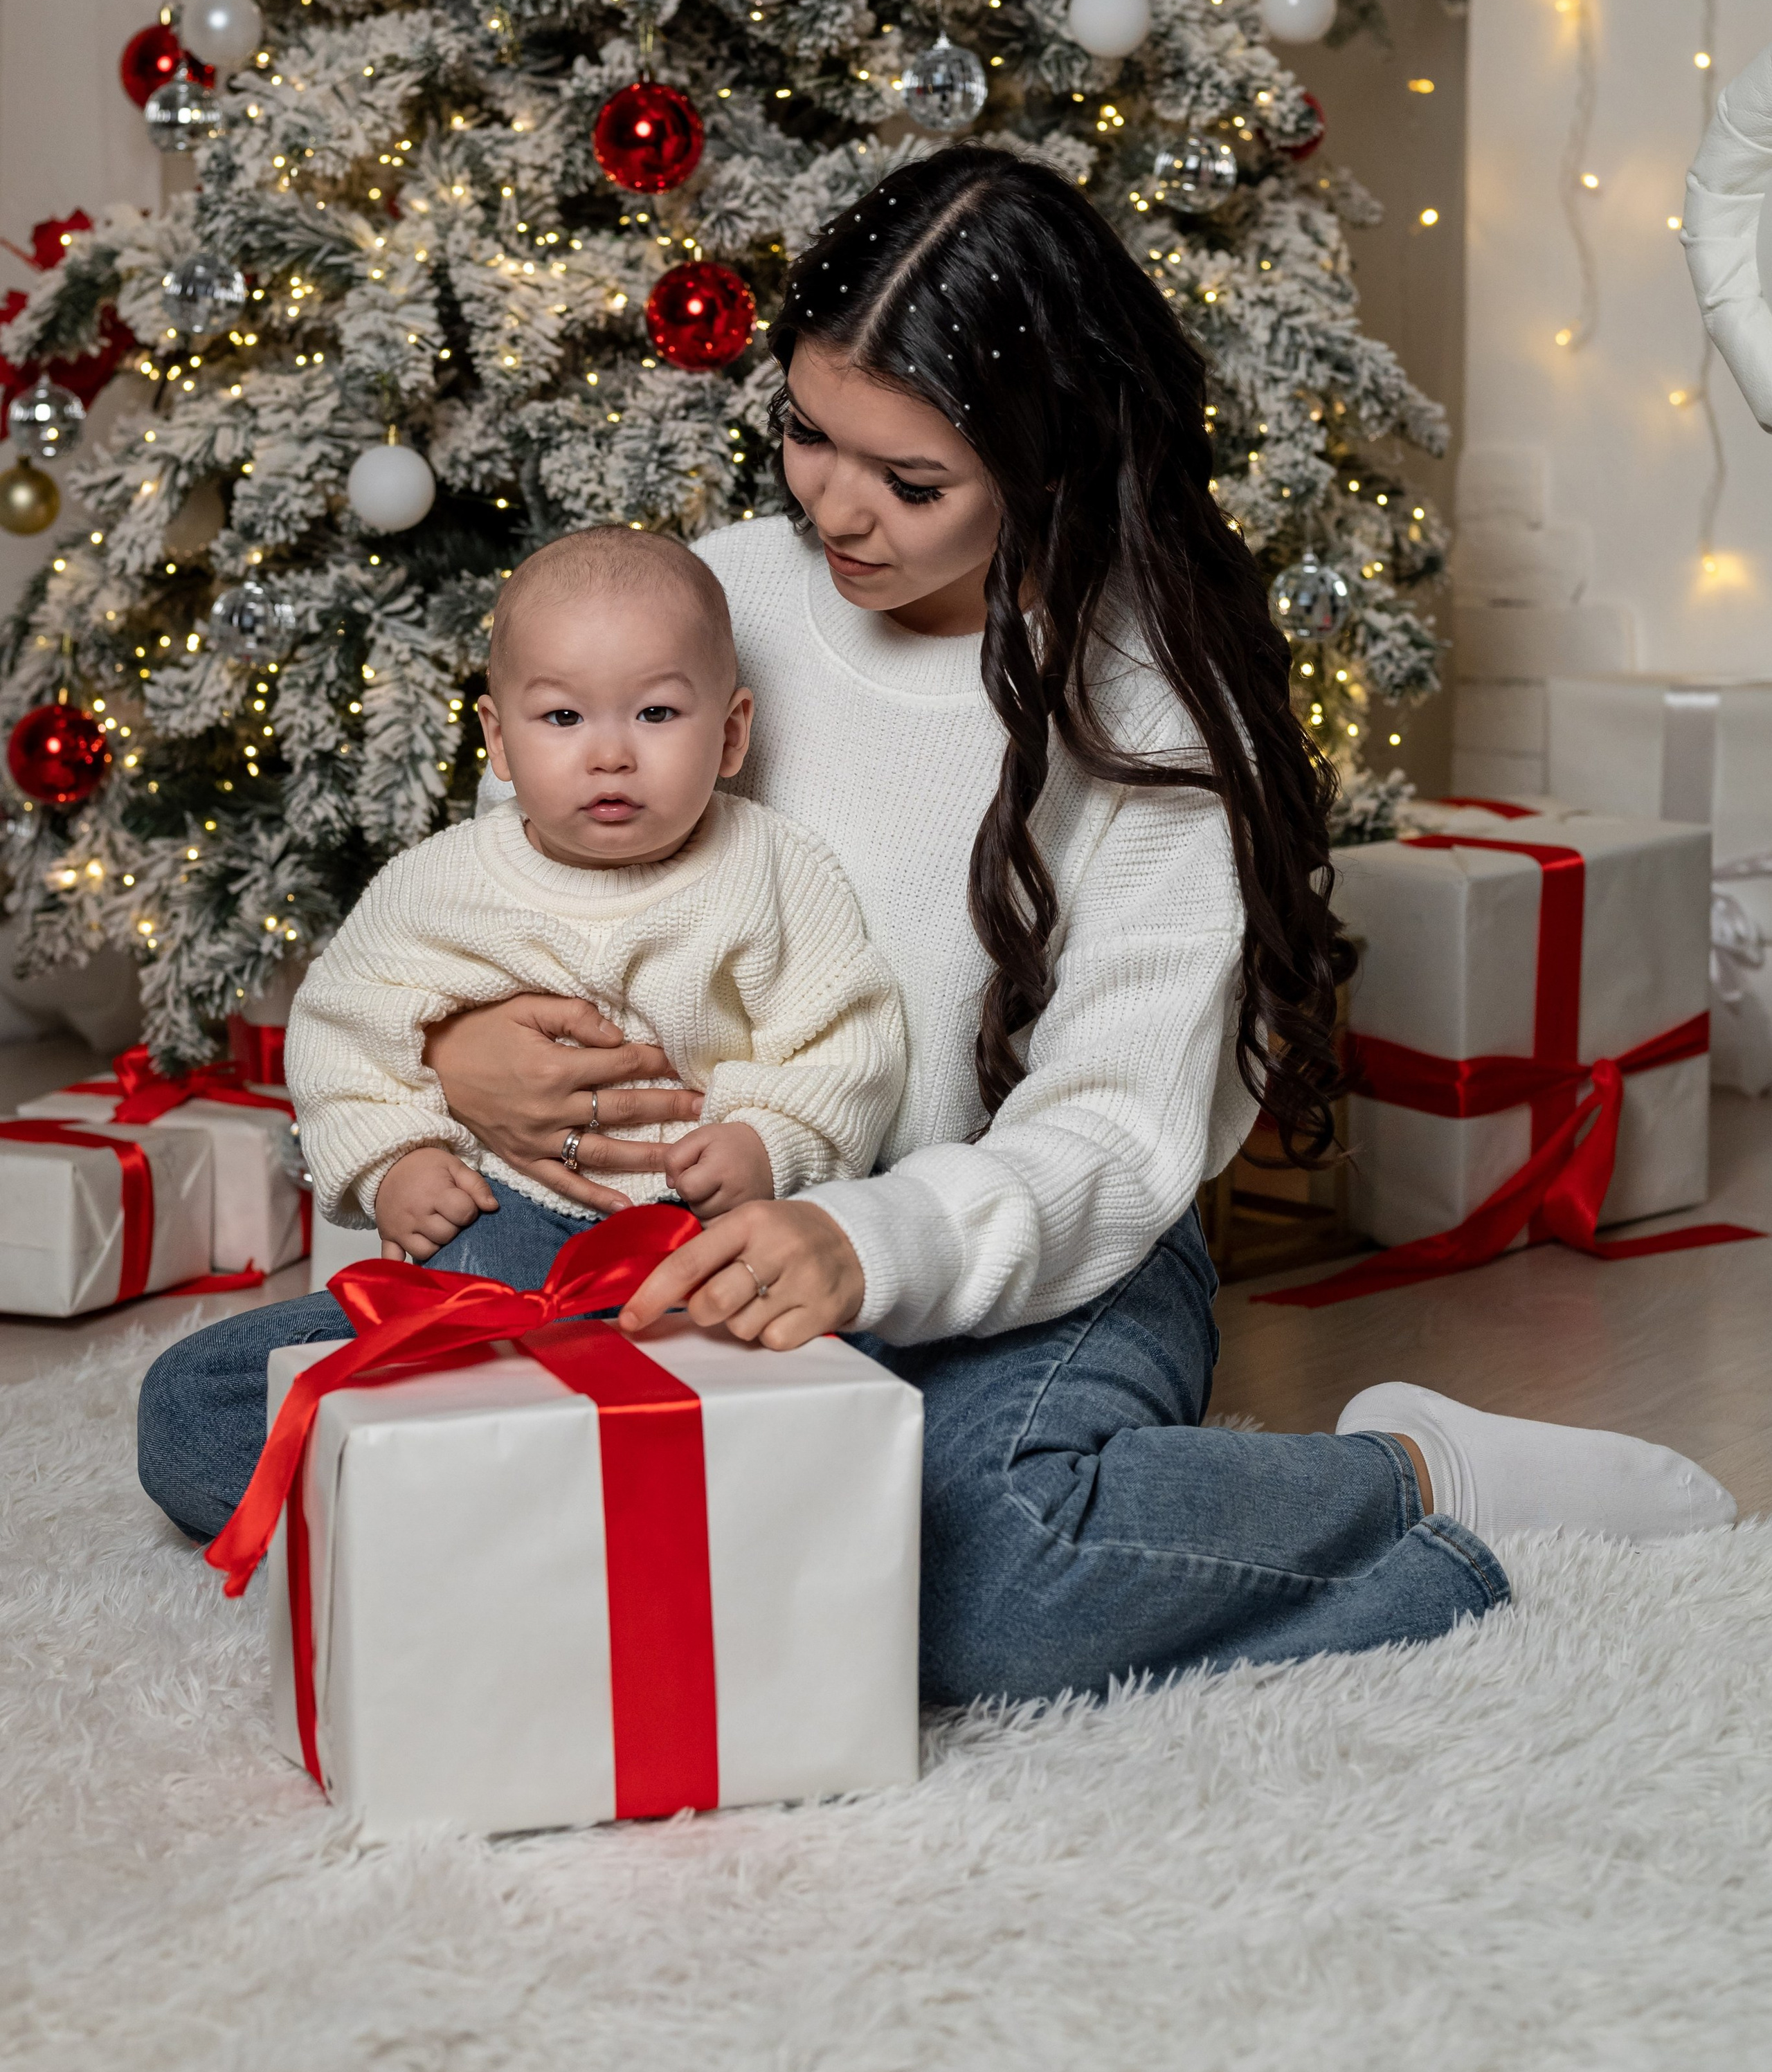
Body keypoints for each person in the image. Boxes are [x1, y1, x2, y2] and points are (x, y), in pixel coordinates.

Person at [138, 148, 1735, 1697]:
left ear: (1045, 466)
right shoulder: (715, 588)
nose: (836, 511)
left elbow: (1113, 1139)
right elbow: (524, 861)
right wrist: (465, 1047)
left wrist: (861, 1245)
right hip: (664, 1236)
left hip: (1030, 1256)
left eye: (910, 481)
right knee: (217, 1414)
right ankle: (748, 1542)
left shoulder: (1152, 713)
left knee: (984, 1571)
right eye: (807, 435)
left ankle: (1404, 1479)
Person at [136, 525, 904, 1534]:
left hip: (691, 1259)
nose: (611, 751)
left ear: (731, 732)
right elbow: (340, 1029)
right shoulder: (441, 886)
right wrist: (395, 1159)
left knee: (868, 1382)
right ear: (498, 739)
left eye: (659, 711)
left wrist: (772, 1140)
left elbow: (847, 1041)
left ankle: (506, 1503)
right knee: (187, 1410)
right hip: (496, 1245)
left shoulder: (772, 873)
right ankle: (557, 1494)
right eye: (563, 716)